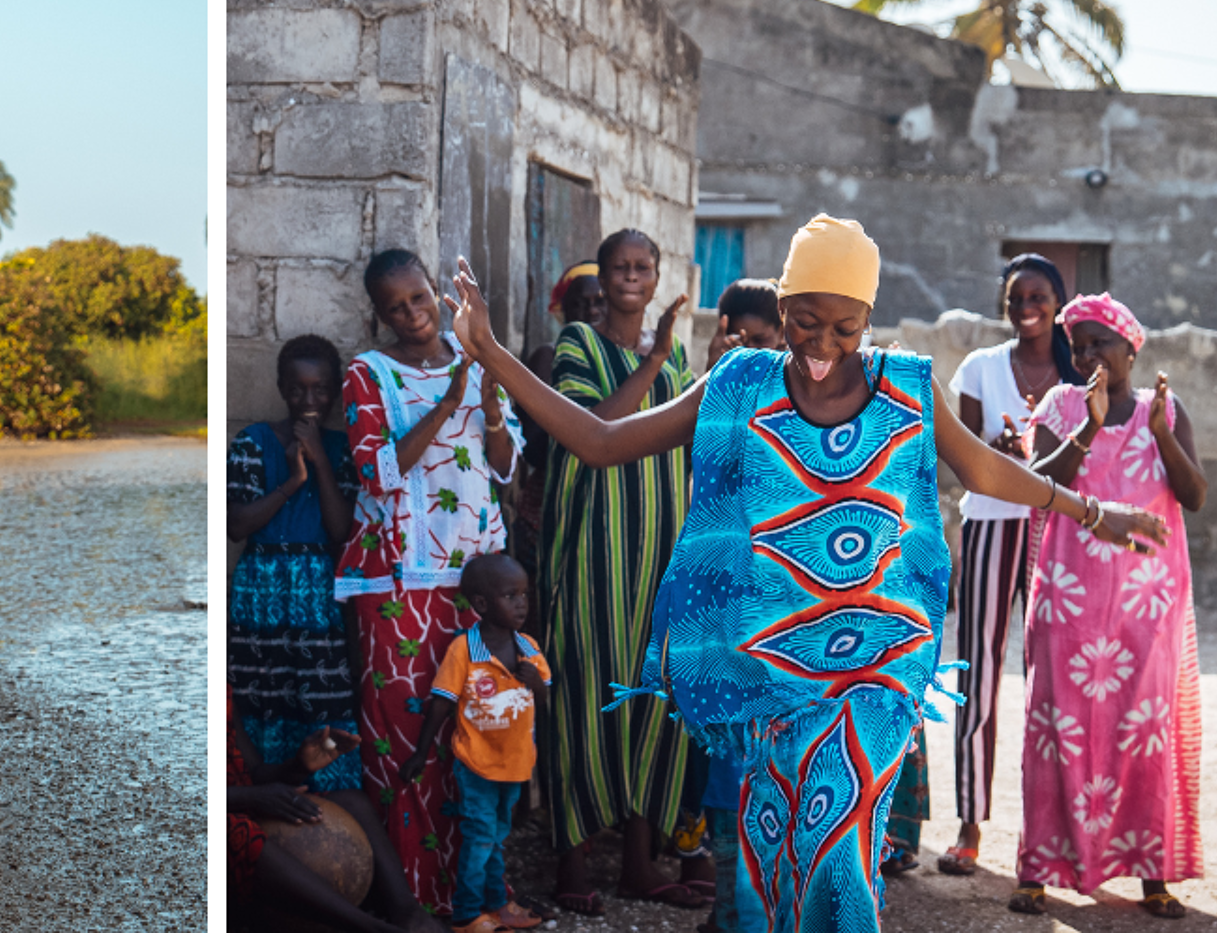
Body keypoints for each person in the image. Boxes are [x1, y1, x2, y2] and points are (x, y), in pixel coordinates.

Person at [442, 215, 1166, 933]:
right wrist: (491, 352)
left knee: (838, 842)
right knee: (773, 866)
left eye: (844, 327)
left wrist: (1096, 511)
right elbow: (601, 442)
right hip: (771, 672)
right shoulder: (739, 385)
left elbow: (985, 466)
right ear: (782, 308)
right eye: (805, 321)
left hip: (874, 670)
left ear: (869, 318)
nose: (823, 345)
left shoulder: (906, 389)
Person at [334, 248, 518, 916]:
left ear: (437, 293)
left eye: (419, 298)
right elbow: (378, 473)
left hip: (477, 581)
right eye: (396, 307)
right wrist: (445, 402)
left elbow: (504, 469)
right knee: (404, 737)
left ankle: (474, 894)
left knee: (476, 734)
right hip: (397, 580)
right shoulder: (368, 373)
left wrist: (489, 405)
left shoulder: (481, 359)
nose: (412, 315)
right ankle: (410, 897)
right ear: (379, 315)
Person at [1009, 293, 1204, 920]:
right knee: (1055, 730)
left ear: (1131, 349)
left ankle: (1153, 875)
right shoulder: (1064, 406)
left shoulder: (1164, 410)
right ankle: (1039, 868)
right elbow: (1040, 485)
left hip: (1148, 603)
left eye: (1100, 344)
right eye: (1079, 345)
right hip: (1069, 599)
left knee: (1143, 732)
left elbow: (1194, 496)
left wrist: (1159, 434)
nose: (1088, 355)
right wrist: (1088, 427)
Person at [533, 228, 703, 912]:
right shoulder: (578, 344)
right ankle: (571, 867)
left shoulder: (678, 358)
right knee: (582, 695)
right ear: (602, 278)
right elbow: (594, 426)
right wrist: (653, 358)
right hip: (593, 556)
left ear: (656, 276)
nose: (632, 276)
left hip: (659, 554)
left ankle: (637, 863)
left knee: (652, 700)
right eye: (620, 267)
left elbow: (691, 444)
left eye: (643, 266)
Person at [936, 254, 1083, 877]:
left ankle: (1052, 828)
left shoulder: (1079, 375)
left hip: (1058, 535)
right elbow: (964, 462)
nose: (1028, 306)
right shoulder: (980, 367)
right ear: (1004, 303)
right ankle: (970, 822)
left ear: (1058, 301)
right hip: (993, 525)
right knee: (979, 669)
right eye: (1017, 296)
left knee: (1055, 678)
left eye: (1040, 295)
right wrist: (994, 454)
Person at [227, 334, 360, 791]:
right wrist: (292, 481)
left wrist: (319, 462)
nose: (309, 400)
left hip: (317, 596)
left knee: (321, 703)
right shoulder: (253, 442)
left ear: (336, 391)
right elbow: (237, 526)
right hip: (259, 595)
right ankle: (270, 799)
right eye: (298, 389)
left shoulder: (342, 450)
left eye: (320, 389)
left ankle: (332, 803)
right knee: (261, 703)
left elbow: (341, 530)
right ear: (282, 388)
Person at [401, 553, 549, 933]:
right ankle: (467, 914)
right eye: (510, 595)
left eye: (524, 594)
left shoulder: (529, 648)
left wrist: (536, 683)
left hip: (515, 763)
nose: (521, 603)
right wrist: (420, 752)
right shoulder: (464, 650)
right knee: (481, 838)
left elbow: (544, 696)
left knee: (498, 836)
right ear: (481, 604)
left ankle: (497, 904)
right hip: (477, 764)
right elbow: (441, 703)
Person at [227, 690, 447, 933]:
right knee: (236, 830)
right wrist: (253, 797)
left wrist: (299, 765)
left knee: (353, 803)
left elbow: (255, 772)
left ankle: (409, 914)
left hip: (243, 801)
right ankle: (368, 927)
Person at [510, 262, 607, 638]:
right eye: (581, 303)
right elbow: (533, 450)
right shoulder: (548, 358)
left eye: (601, 301)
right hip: (551, 499)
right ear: (563, 309)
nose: (592, 311)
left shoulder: (624, 357)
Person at [704, 279, 784, 369]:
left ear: (782, 332)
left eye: (759, 340)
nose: (749, 352)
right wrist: (714, 367)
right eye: (741, 342)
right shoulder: (727, 370)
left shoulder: (793, 373)